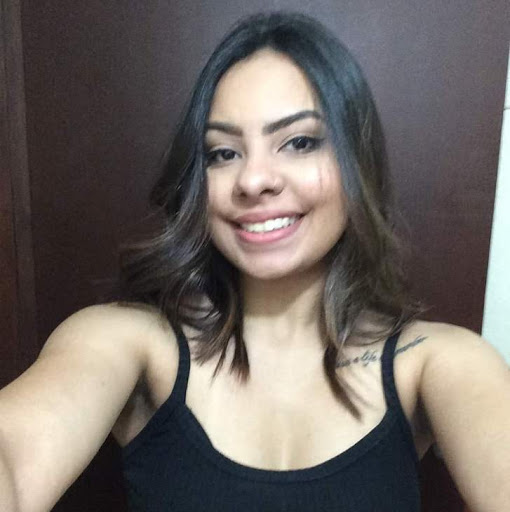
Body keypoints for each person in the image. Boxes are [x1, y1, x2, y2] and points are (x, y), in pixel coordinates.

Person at [1, 11, 509, 512]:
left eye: (300, 142)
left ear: (358, 162)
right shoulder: (127, 341)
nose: (253, 180)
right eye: (222, 153)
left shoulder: (437, 362)